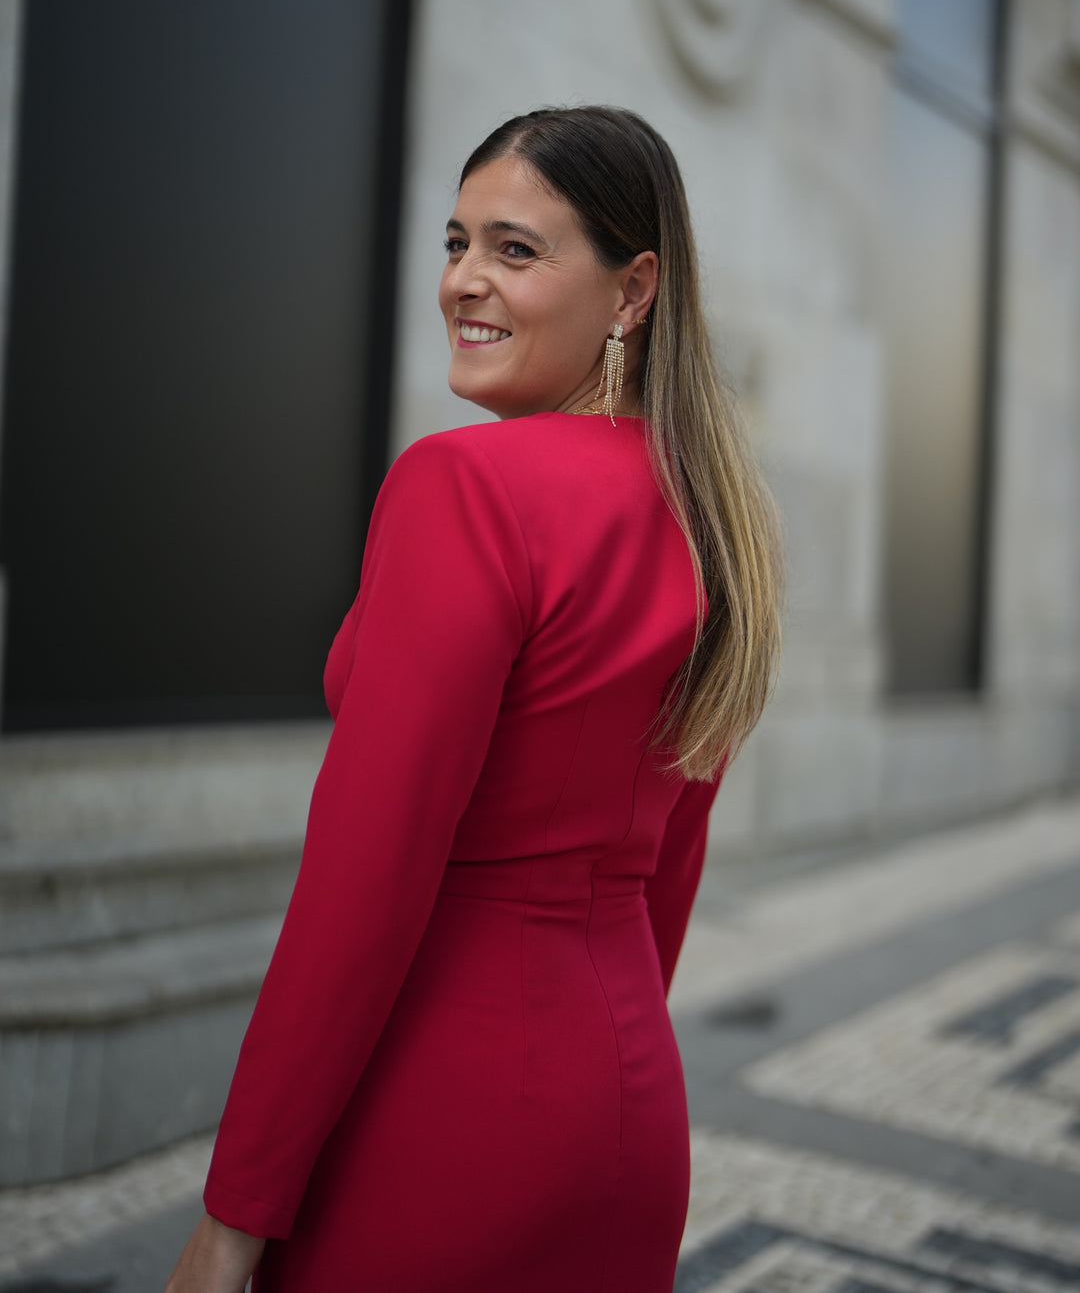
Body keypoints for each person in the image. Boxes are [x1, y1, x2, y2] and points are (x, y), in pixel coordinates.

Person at [165, 105, 784, 1293]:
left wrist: (236, 1211)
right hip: (625, 1105)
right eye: (455, 244)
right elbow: (666, 879)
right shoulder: (715, 527)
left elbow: (364, 882)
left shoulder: (463, 488)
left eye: (514, 249)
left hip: (442, 1106)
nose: (462, 282)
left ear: (632, 292)